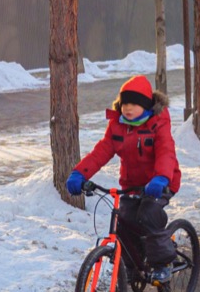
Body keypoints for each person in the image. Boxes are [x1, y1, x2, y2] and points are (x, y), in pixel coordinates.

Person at [65, 75, 182, 285]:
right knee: (124, 222)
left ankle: (163, 264)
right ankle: (131, 267)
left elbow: (166, 152)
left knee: (148, 215)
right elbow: (101, 152)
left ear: (145, 105)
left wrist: (161, 178)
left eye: (134, 104)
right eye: (125, 103)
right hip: (131, 185)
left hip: (160, 183)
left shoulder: (158, 123)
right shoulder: (117, 125)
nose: (128, 108)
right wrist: (79, 173)